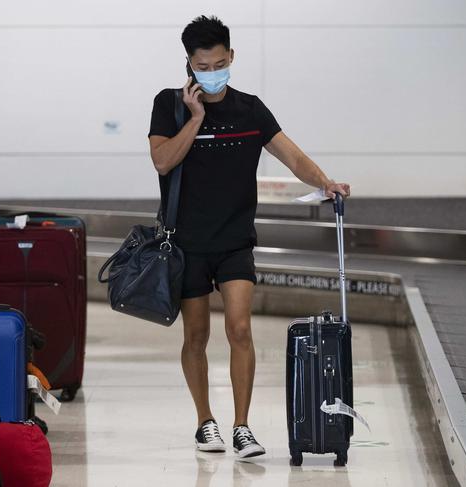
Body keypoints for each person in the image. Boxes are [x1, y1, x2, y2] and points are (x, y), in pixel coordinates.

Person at [148, 15, 350, 458]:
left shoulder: (250, 109)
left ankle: (242, 425)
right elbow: (163, 161)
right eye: (203, 65)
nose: (213, 71)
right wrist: (196, 117)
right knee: (196, 337)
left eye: (220, 62)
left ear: (231, 57)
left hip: (235, 240)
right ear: (189, 64)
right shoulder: (170, 105)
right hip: (187, 244)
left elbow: (290, 154)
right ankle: (205, 422)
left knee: (240, 328)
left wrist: (325, 182)